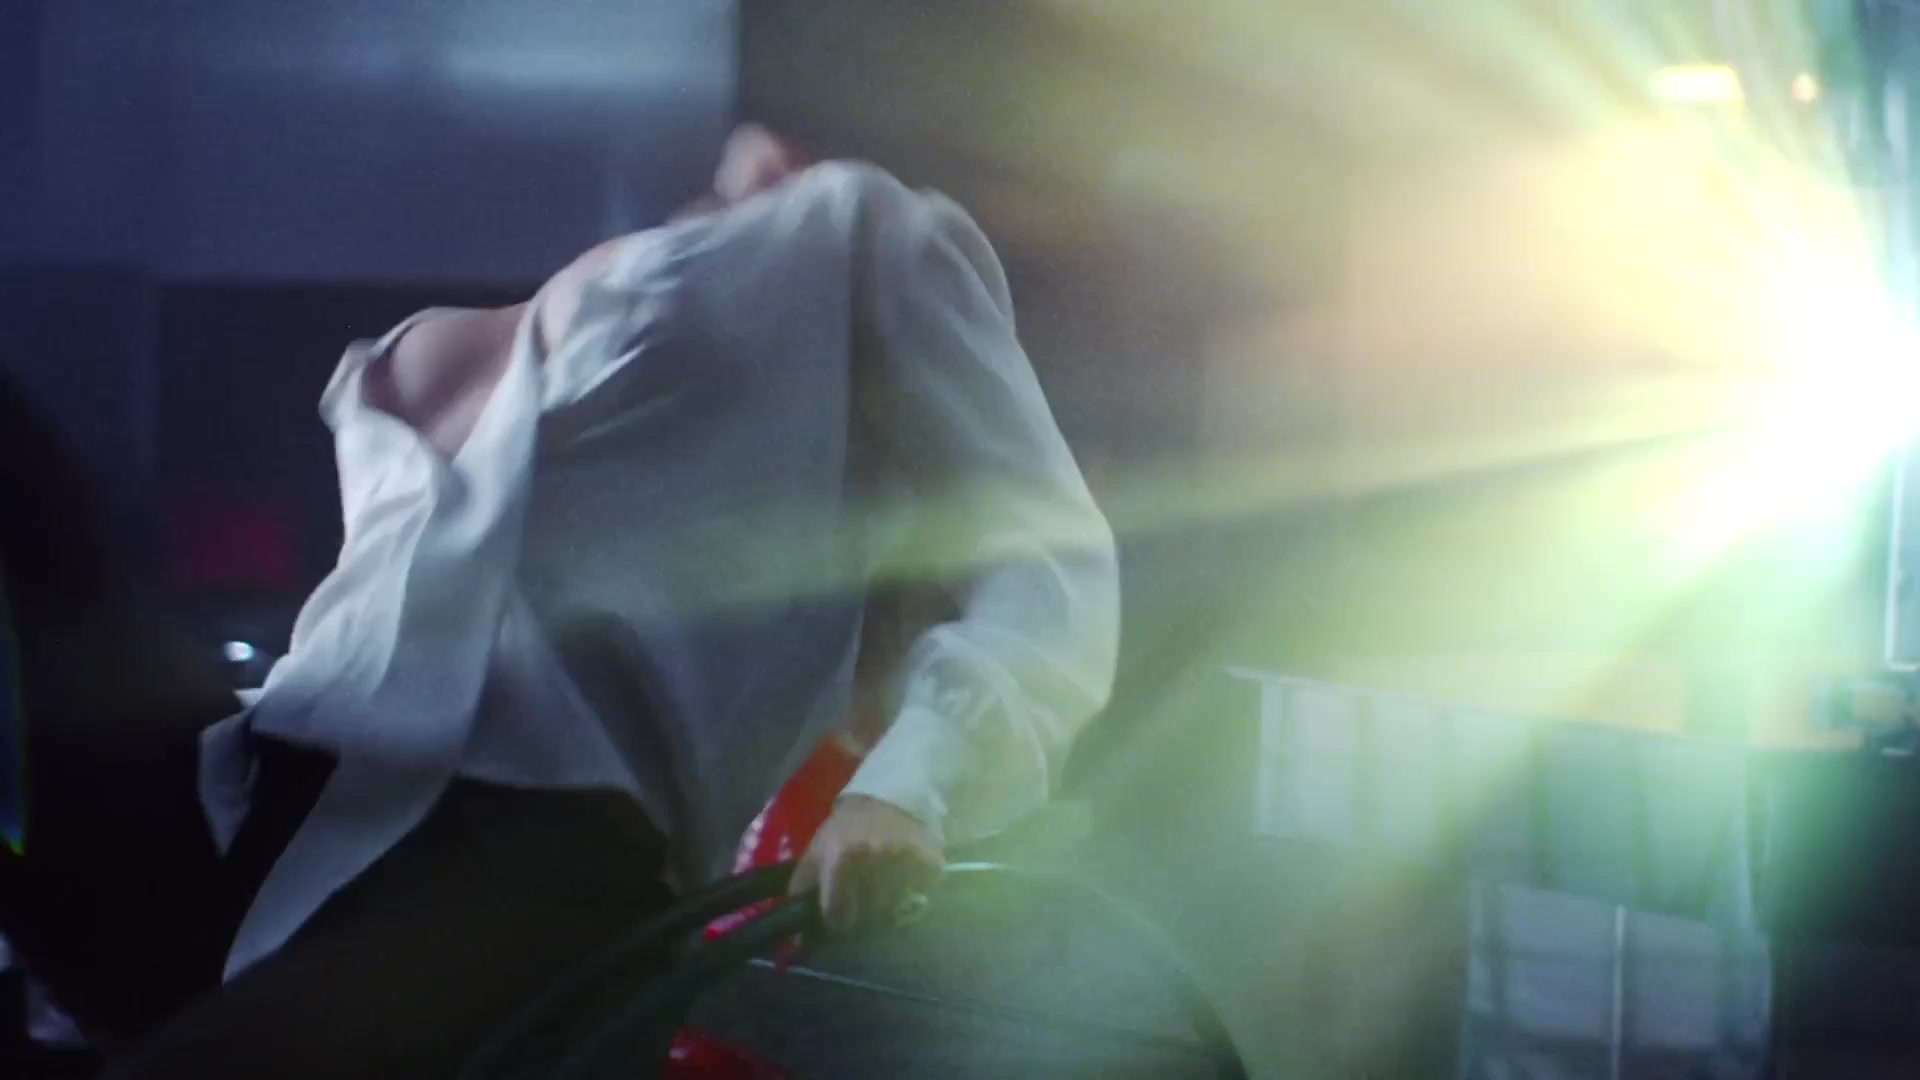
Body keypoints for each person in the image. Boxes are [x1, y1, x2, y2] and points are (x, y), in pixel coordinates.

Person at [0, 123, 1119, 1076]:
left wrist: (907, 791)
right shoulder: (601, 274)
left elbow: (1047, 561)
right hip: (252, 790)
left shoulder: (861, 234)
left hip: (514, 870)